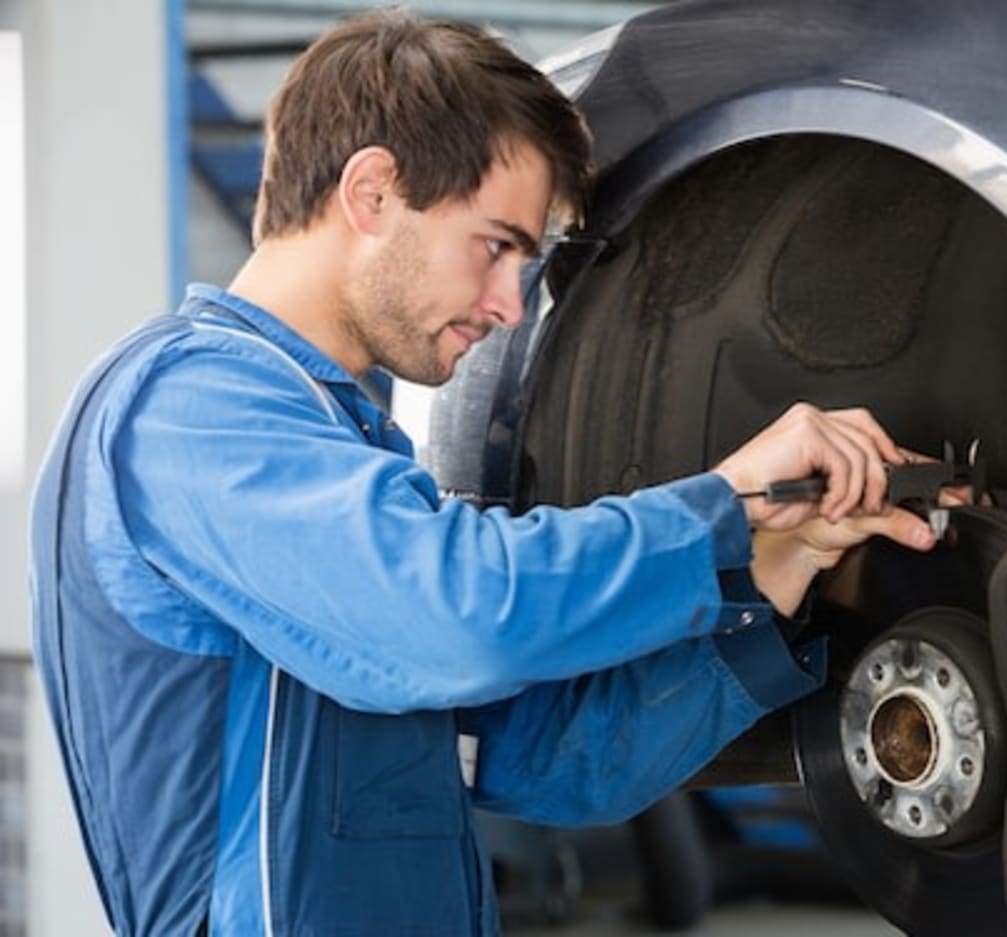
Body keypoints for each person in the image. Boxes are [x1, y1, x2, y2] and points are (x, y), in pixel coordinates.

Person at [28, 9, 938, 936]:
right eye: (496, 246)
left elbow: (555, 761)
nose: (510, 306)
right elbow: (459, 614)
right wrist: (726, 508)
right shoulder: (187, 406)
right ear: (373, 192)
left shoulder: (346, 455)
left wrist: (776, 565)